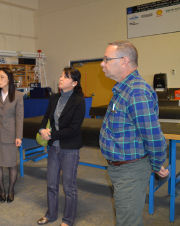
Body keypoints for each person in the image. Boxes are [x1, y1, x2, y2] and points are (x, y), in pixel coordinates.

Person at [99, 41, 169, 226]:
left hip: (130, 171)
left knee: (128, 222)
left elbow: (153, 136)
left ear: (124, 61)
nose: (102, 63)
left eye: (106, 59)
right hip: (120, 169)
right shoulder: (122, 89)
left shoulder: (136, 92)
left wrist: (157, 163)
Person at [36, 67, 85, 226]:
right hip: (53, 148)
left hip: (69, 148)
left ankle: (68, 220)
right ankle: (50, 214)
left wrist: (52, 135)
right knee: (51, 183)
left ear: (74, 83)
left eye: (65, 77)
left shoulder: (79, 101)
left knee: (69, 187)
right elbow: (46, 117)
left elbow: (74, 128)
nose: (61, 78)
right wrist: (42, 129)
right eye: (61, 75)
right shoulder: (54, 98)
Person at [0, 67, 24, 203]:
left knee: (11, 165)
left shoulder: (18, 95)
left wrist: (19, 136)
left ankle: (11, 190)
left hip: (11, 135)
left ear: (9, 79)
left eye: (2, 77)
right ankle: (2, 190)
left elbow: (19, 117)